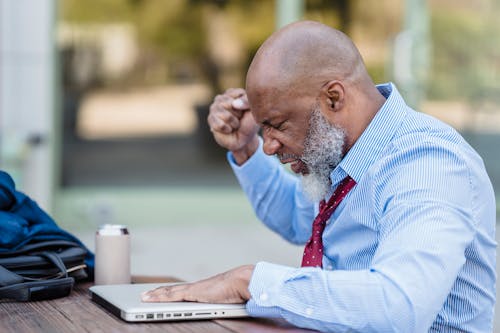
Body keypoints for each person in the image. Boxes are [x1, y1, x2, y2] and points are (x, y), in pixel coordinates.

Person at [142, 21, 496, 332]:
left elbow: (400, 307)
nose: (270, 146)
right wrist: (244, 148)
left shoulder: (428, 164)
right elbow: (298, 219)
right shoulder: (343, 154)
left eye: (277, 125)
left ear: (333, 97)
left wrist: (249, 282)